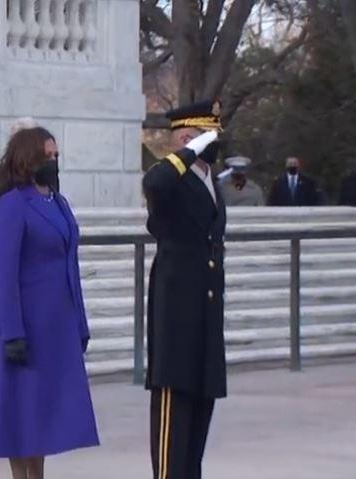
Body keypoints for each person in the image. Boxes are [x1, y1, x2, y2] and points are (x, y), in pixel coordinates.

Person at [0, 128, 99, 478]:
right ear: (28, 158)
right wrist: (12, 331)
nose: (53, 162)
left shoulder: (58, 202)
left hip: (57, 324)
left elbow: (70, 265)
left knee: (45, 414)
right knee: (22, 413)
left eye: (57, 156)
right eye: (47, 155)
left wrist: (79, 322)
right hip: (26, 325)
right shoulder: (12, 205)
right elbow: (5, 273)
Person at [142, 100, 227, 479]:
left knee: (200, 408)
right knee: (174, 414)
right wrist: (186, 152)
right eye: (209, 135)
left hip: (205, 309)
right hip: (176, 310)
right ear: (188, 137)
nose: (216, 142)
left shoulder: (210, 179)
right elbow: (154, 182)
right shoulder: (171, 179)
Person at [0, 124, 58, 198]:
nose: (53, 160)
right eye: (47, 156)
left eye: (55, 155)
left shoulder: (57, 199)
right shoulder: (10, 202)